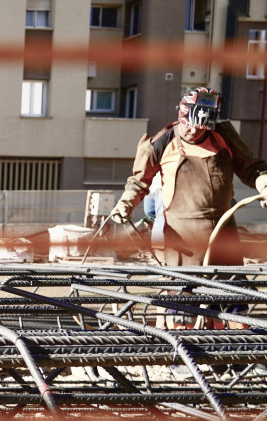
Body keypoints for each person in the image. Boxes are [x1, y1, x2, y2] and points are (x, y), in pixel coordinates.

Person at [110, 88, 267, 328]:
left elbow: (252, 169)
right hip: (182, 240)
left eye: (202, 127)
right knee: (183, 300)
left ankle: (234, 356)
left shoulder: (223, 136)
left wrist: (264, 184)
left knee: (232, 296)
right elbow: (138, 182)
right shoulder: (162, 142)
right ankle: (183, 357)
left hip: (223, 232)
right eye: (190, 125)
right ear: (182, 116)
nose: (195, 131)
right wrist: (125, 204)